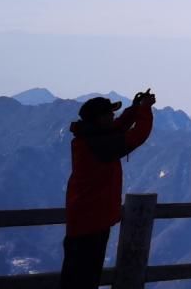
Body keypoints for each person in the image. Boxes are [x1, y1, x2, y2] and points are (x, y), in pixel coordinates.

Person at [60, 89, 156, 289]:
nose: (113, 116)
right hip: (91, 221)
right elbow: (136, 136)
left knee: (76, 277)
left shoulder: (92, 137)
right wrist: (144, 110)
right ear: (99, 119)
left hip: (85, 219)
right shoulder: (98, 144)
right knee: (83, 280)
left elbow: (117, 128)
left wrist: (135, 109)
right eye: (109, 114)